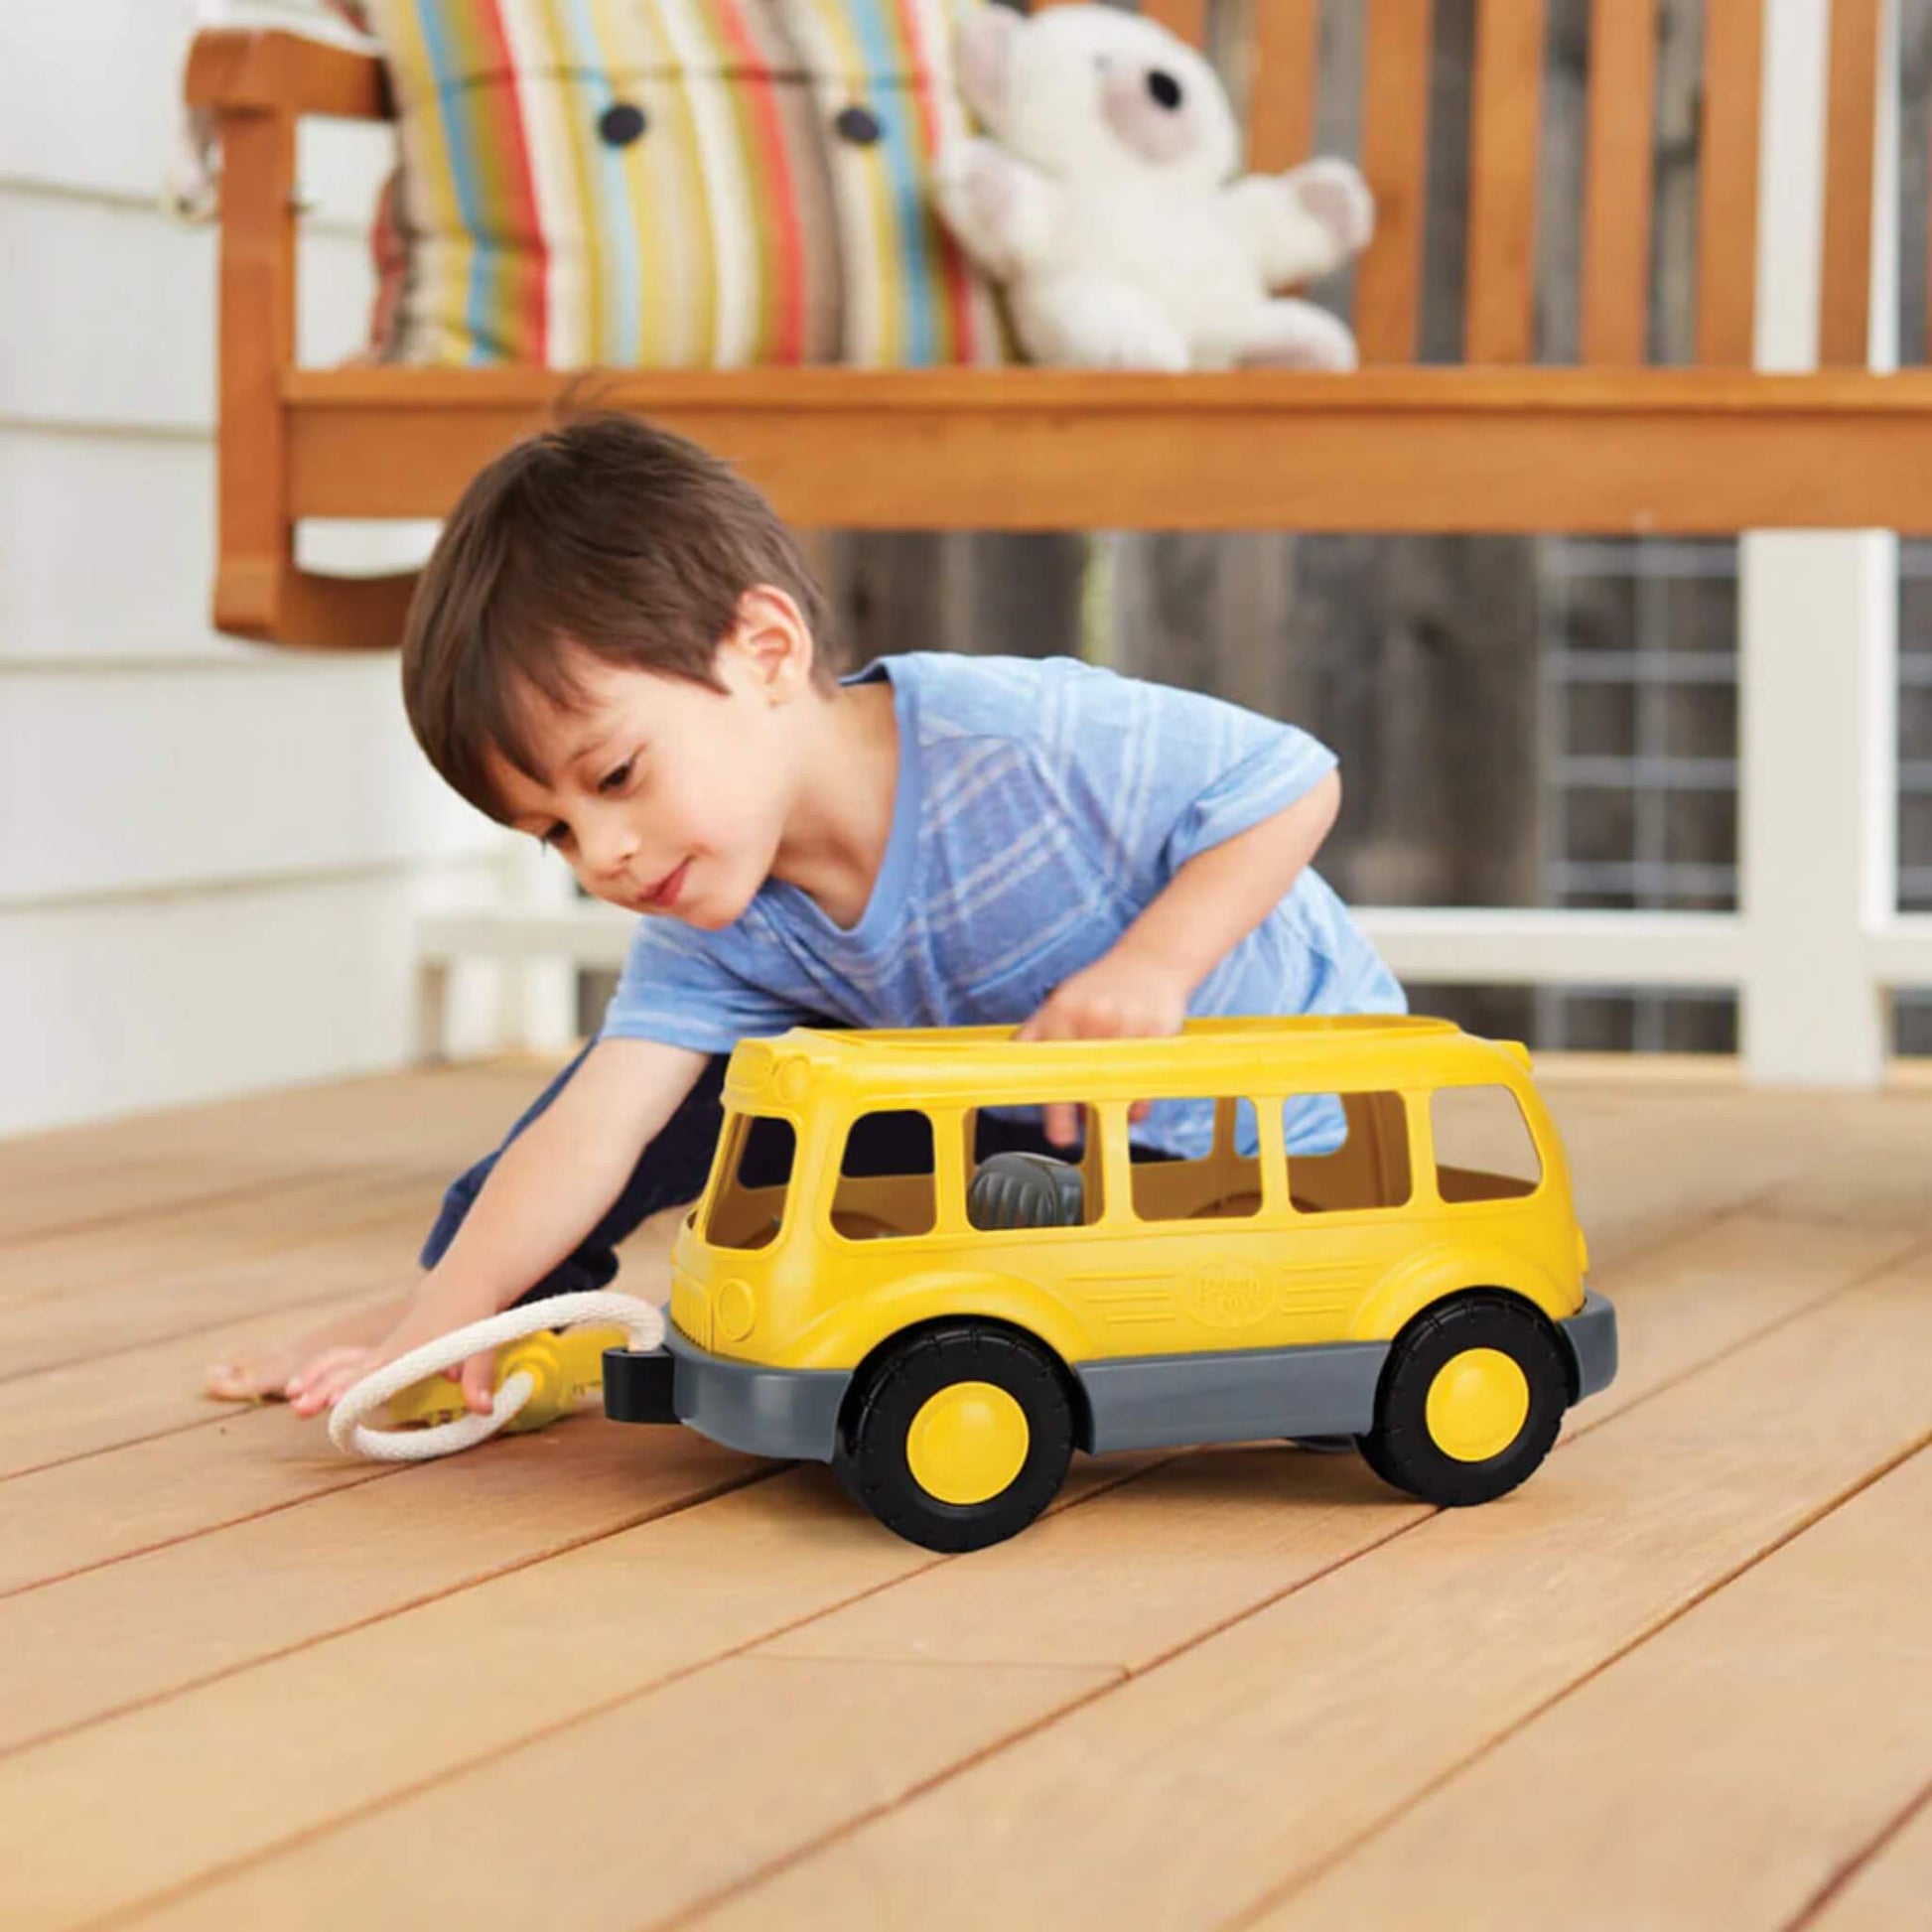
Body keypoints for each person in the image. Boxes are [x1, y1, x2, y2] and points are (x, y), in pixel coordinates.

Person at [206, 411, 1404, 1419]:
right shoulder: (716, 909)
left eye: (616, 776)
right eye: (555, 833)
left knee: (790, 1154)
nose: (604, 856)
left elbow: (1287, 780)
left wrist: (1156, 963)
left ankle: (468, 1296)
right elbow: (597, 1134)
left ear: (765, 650)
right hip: (1042, 1148)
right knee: (630, 1102)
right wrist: (439, 1317)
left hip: (1268, 1151)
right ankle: (461, 1301)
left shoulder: (1017, 735)